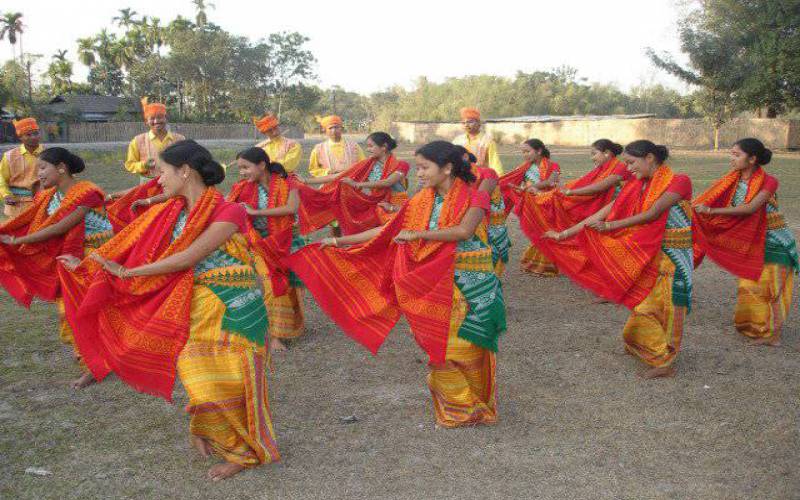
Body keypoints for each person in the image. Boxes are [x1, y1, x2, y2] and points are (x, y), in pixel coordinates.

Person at [59, 140, 280, 481]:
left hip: (233, 302)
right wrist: (87, 265)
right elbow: (127, 242)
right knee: (197, 374)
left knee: (229, 377)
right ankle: (215, 429)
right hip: (195, 299)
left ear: (184, 171)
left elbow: (189, 256)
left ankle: (244, 452)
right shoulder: (170, 211)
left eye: (162, 171)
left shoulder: (228, 211)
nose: (158, 180)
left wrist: (129, 274)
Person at [287, 141, 506, 428]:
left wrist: (418, 235)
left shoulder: (476, 197)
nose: (419, 174)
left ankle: (476, 403)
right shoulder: (421, 200)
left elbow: (464, 231)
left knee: (471, 347)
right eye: (418, 168)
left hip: (472, 283)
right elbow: (388, 230)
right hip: (432, 282)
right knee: (440, 349)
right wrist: (338, 240)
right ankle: (460, 407)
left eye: (425, 167)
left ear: (448, 168)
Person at [539, 140, 692, 379]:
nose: (628, 169)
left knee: (667, 307)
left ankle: (665, 361)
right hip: (648, 254)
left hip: (674, 255)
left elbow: (652, 214)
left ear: (650, 158)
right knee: (645, 306)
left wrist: (610, 226)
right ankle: (651, 348)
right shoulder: (636, 186)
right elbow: (602, 213)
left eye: (631, 163)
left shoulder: (679, 181)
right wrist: (563, 234)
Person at [0, 147, 112, 389]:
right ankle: (91, 356)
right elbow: (32, 219)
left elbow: (61, 227)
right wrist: (10, 232)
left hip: (96, 258)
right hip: (72, 257)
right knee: (70, 312)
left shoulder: (88, 192)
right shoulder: (51, 196)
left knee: (82, 312)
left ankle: (94, 364)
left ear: (61, 168)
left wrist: (18, 241)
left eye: (42, 168)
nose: (38, 174)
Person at [693, 138, 798, 346]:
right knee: (749, 284)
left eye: (736, 155)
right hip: (752, 240)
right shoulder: (731, 180)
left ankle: (772, 335)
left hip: (775, 240)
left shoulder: (769, 181)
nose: (732, 158)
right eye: (731, 153)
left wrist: (711, 211)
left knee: (771, 288)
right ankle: (753, 326)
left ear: (752, 159)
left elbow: (750, 208)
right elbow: (712, 199)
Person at [228, 147, 305, 353]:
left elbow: (291, 208)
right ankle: (274, 337)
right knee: (273, 284)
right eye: (240, 169)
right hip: (258, 245)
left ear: (262, 165)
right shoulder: (241, 188)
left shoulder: (289, 182)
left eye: (245, 167)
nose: (242, 172)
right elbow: (227, 209)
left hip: (286, 242)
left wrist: (256, 211)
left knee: (289, 287)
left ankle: (287, 327)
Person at [296, 132, 410, 235]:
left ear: (384, 147)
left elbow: (388, 182)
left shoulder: (402, 165)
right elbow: (339, 176)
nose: (368, 149)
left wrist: (357, 184)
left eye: (371, 146)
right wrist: (306, 181)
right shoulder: (367, 165)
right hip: (379, 205)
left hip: (398, 205)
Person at [499, 139, 560, 276]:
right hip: (530, 204)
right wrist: (515, 188)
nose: (525, 154)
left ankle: (548, 266)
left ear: (539, 151)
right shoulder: (524, 167)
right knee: (535, 233)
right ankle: (533, 264)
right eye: (523, 152)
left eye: (527, 151)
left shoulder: (553, 165)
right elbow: (516, 183)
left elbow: (552, 182)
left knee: (546, 231)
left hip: (547, 203)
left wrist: (531, 187)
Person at [456, 145, 510, 277]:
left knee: (492, 251)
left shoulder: (488, 172)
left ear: (465, 157)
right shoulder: (454, 177)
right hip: (469, 220)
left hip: (489, 221)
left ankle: (490, 281)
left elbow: (482, 196)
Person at [124, 98, 185, 184]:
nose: (156, 121)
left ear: (166, 118)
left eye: (160, 117)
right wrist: (144, 165)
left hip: (174, 185)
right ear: (146, 121)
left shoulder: (180, 139)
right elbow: (130, 165)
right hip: (148, 187)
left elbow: (187, 163)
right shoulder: (137, 141)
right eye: (152, 118)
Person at [0, 118, 44, 218]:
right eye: (28, 135)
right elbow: (1, 179)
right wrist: (7, 195)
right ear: (20, 137)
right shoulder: (9, 156)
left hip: (42, 204)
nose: (33, 137)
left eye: (36, 133)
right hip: (15, 206)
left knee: (40, 232)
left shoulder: (50, 154)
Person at [453, 107, 503, 175]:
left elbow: (494, 162)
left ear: (479, 123)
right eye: (463, 122)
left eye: (470, 122)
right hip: (462, 178)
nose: (466, 125)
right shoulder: (457, 141)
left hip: (482, 179)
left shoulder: (487, 140)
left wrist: (499, 178)